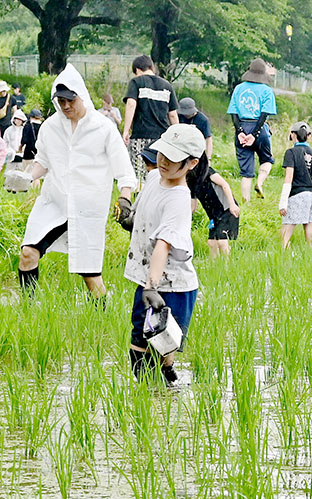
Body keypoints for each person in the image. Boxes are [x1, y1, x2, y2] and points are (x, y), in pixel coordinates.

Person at [18, 64, 136, 301]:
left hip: (88, 208)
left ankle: (102, 317)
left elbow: (124, 171)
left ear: (81, 95)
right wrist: (24, 178)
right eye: (60, 101)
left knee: (89, 274)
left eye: (70, 100)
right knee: (28, 253)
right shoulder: (50, 127)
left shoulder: (104, 128)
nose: (66, 106)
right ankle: (29, 309)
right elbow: (43, 162)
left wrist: (125, 198)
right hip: (55, 203)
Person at [122, 124, 201, 386]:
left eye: (173, 158)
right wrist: (130, 217)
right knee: (140, 346)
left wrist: (151, 286)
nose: (164, 161)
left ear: (191, 163)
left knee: (162, 347)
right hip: (149, 280)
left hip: (172, 286)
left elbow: (163, 245)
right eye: (162, 153)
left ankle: (164, 394)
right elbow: (145, 211)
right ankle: (157, 394)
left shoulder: (179, 199)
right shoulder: (154, 177)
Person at [122, 55, 179, 183]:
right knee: (159, 172)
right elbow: (173, 115)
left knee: (139, 173)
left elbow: (131, 104)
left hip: (140, 135)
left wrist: (126, 130)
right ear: (151, 67)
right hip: (162, 138)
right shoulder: (167, 85)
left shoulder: (136, 82)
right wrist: (177, 135)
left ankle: (139, 199)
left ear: (137, 70)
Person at [227, 58, 277, 202]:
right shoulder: (267, 91)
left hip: (242, 127)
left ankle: (246, 201)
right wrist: (255, 134)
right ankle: (260, 183)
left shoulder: (239, 88)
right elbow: (264, 114)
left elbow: (234, 113)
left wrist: (240, 132)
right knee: (267, 159)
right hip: (259, 130)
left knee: (246, 172)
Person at [186, 143, 240, 259]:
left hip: (226, 209)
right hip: (213, 215)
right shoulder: (191, 181)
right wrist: (186, 219)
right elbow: (193, 205)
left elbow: (224, 185)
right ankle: (215, 266)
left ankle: (227, 266)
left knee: (222, 241)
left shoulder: (208, 172)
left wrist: (232, 204)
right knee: (211, 243)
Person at [279, 122, 312, 249]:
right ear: (309, 136)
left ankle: (285, 259)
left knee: (285, 234)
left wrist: (283, 202)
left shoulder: (291, 153)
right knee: (310, 235)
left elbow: (288, 178)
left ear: (292, 135)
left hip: (297, 195)